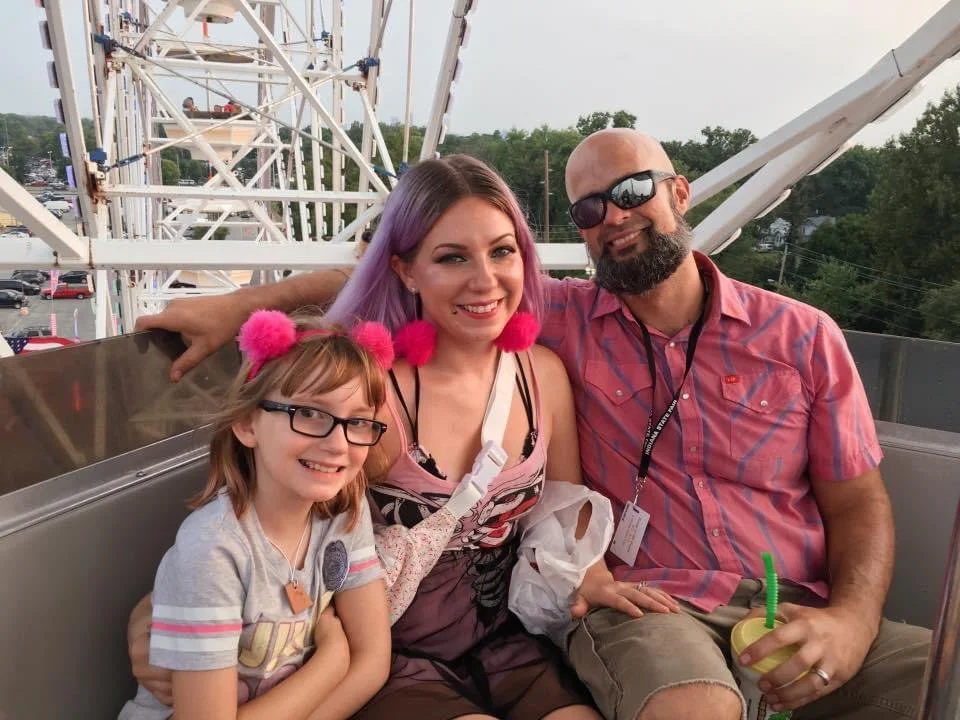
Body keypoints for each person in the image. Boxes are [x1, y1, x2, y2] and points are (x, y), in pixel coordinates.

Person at [133, 133, 931, 720]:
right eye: (589, 207)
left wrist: (854, 619)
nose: (613, 216)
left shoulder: (794, 336)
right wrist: (174, 616)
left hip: (647, 615)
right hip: (572, 623)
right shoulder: (521, 335)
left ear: (679, 192)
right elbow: (274, 506)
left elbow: (858, 503)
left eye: (633, 190)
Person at [131, 155, 676, 720]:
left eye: (502, 250)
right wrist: (164, 612)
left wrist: (595, 576)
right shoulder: (367, 390)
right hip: (389, 653)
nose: (485, 279)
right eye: (451, 257)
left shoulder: (543, 375)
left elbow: (562, 504)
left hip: (506, 641)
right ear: (407, 271)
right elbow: (271, 510)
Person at [119, 311, 393, 720]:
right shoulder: (213, 550)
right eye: (309, 414)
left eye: (357, 422)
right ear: (248, 424)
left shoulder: (343, 516)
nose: (339, 444)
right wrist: (331, 661)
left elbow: (373, 660)